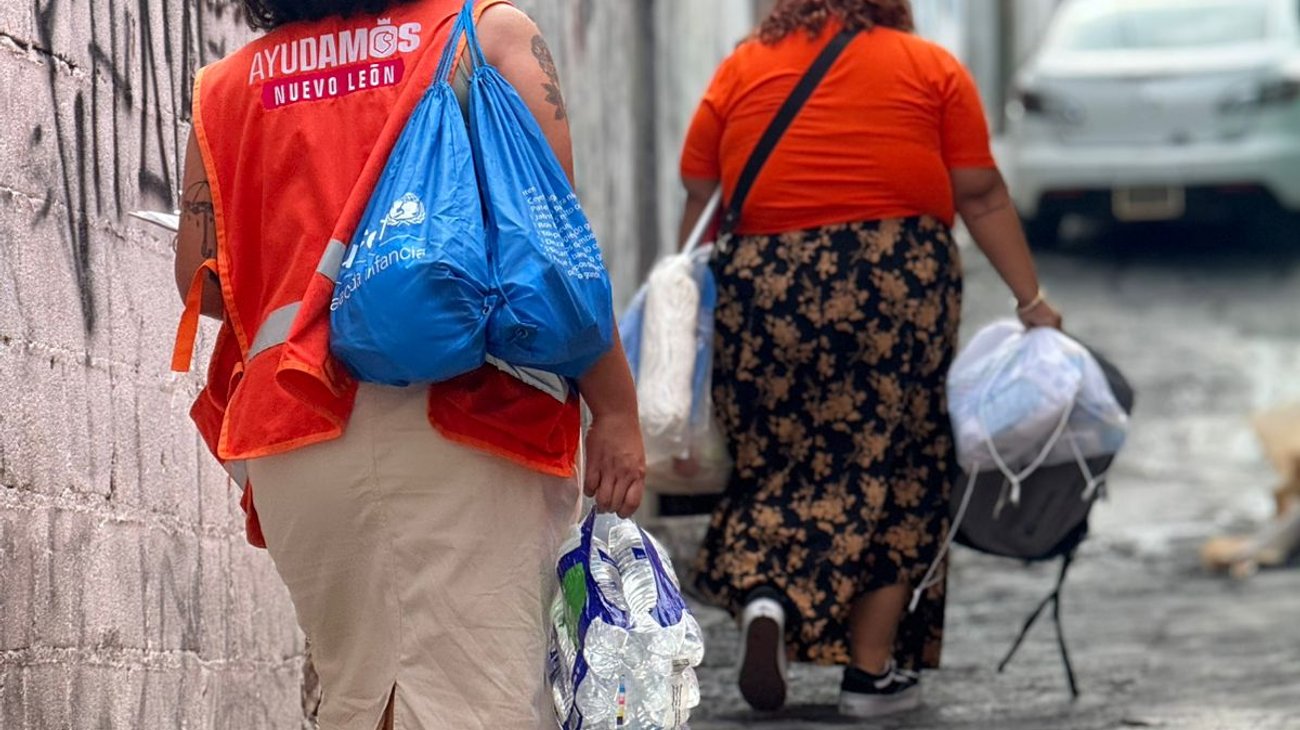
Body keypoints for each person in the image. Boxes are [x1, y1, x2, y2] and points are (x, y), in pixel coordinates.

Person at [171, 1, 645, 727]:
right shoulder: (487, 36)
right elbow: (552, 251)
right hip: (470, 424)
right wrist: (614, 409)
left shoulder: (228, 86)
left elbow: (201, 286)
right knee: (485, 703)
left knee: (360, 696)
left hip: (297, 442)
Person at [677, 0, 1063, 719]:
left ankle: (767, 597)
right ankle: (869, 674)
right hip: (896, 283)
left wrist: (698, 301)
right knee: (898, 467)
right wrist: (1029, 298)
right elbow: (978, 193)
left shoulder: (743, 65)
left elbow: (702, 191)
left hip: (767, 284)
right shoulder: (929, 66)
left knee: (777, 459)